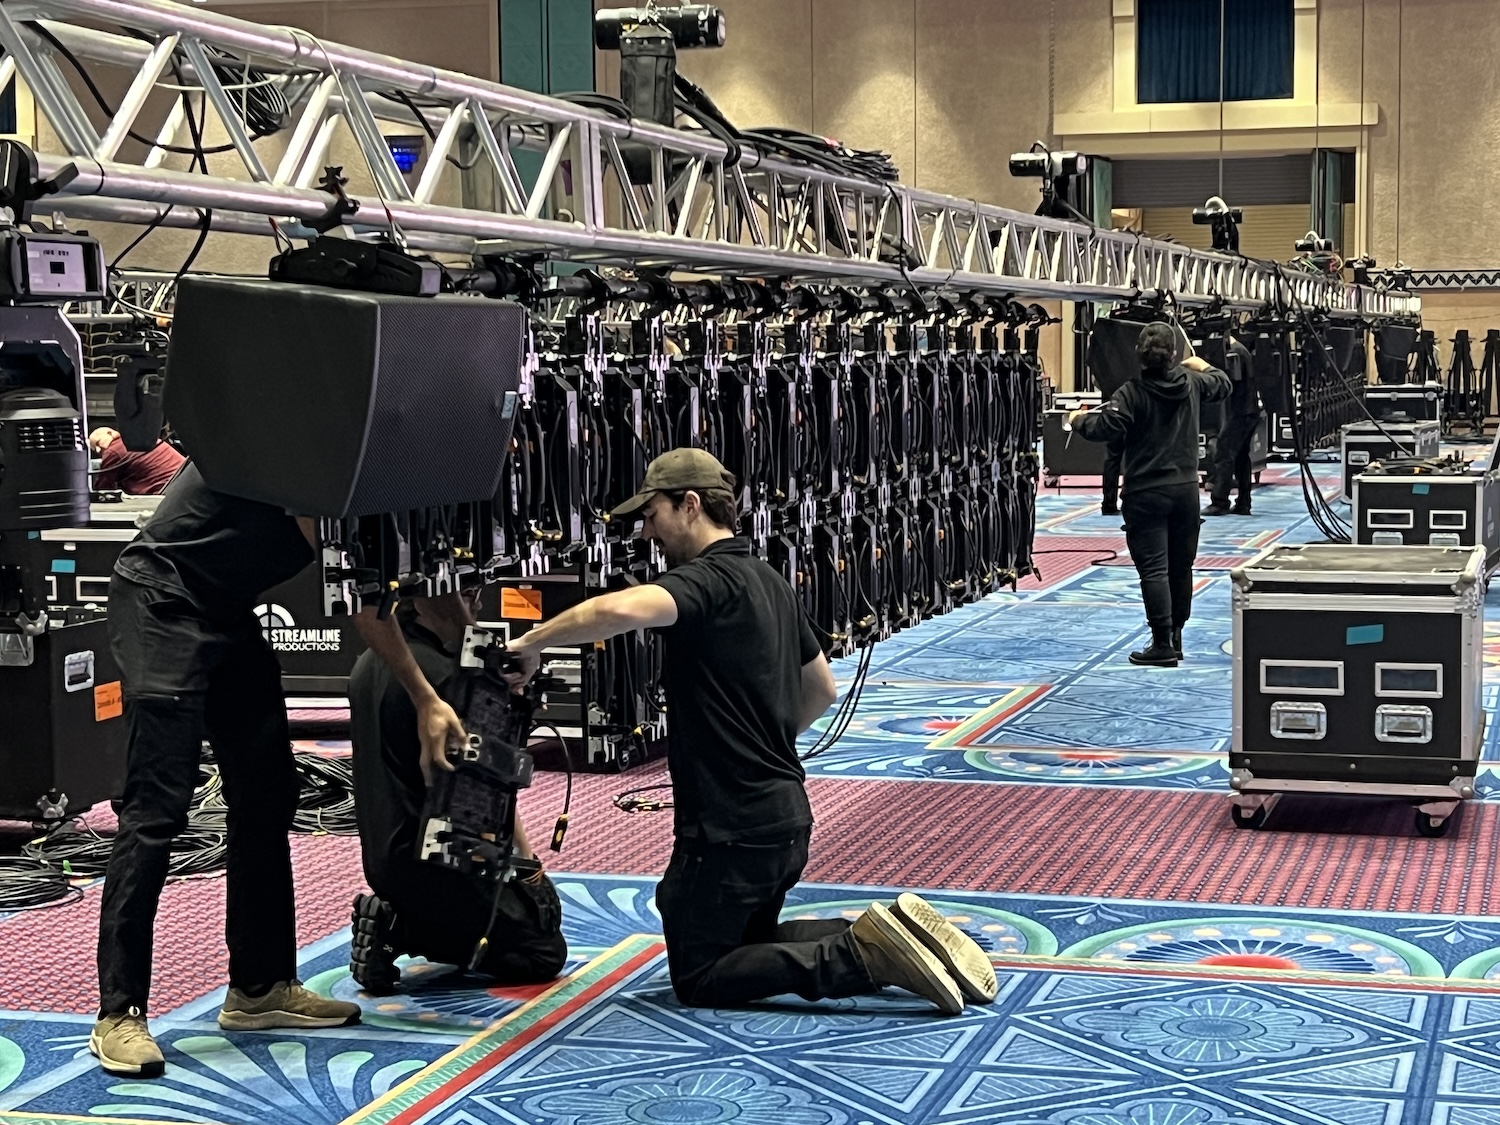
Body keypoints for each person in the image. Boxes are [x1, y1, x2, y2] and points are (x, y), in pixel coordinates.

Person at [507, 447, 998, 1016]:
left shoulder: (705, 582)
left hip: (728, 829)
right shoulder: (768, 578)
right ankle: (887, 932)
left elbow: (620, 610)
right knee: (746, 942)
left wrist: (532, 642)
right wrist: (760, 736)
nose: (646, 531)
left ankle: (862, 956)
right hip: (785, 815)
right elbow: (821, 689)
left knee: (701, 972)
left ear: (690, 505)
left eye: (652, 514)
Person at [92, 461, 469, 1078]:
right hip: (162, 599)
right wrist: (428, 698)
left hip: (227, 609)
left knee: (268, 791)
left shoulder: (389, 472)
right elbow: (364, 603)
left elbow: (428, 581)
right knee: (157, 808)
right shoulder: (316, 452)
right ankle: (118, 1013)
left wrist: (483, 656)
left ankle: (259, 988)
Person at [346, 588, 566, 994]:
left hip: (382, 861)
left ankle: (408, 918)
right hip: (437, 865)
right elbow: (488, 804)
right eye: (466, 595)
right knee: (543, 949)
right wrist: (528, 870)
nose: (477, 606)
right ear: (425, 600)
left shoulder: (368, 662)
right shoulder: (452, 681)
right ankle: (402, 928)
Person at [1068, 323, 1231, 668]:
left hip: (1146, 493)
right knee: (1181, 566)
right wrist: (1201, 364)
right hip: (1186, 491)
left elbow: (1105, 428)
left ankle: (1161, 643)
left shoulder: (1131, 392)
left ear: (1138, 355)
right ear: (1174, 355)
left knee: (1154, 570)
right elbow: (1223, 384)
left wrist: (1078, 420)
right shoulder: (1191, 383)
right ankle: (1177, 636)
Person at [1204, 337, 1261, 516]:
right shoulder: (1240, 349)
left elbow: (1229, 382)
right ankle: (1244, 503)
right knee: (1241, 457)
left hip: (1241, 412)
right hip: (1249, 410)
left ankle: (1220, 502)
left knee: (1223, 452)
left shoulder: (1234, 353)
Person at [89, 427, 186, 496]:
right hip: (182, 481)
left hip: (163, 489)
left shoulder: (114, 450)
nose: (98, 450)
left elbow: (103, 488)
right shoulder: (143, 438)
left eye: (98, 443)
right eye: (94, 449)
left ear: (110, 434)